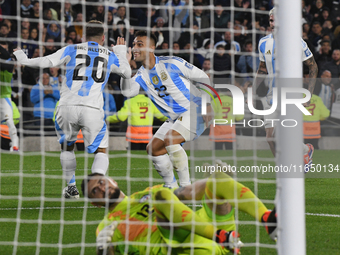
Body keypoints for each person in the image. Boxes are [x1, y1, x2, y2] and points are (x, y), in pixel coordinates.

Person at [14, 20, 131, 199]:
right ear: (103, 38)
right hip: (92, 109)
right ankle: (97, 183)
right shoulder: (108, 54)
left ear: (83, 36)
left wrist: (23, 58)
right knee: (101, 150)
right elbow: (127, 73)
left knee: (67, 147)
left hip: (66, 106)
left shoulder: (72, 49)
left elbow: (46, 61)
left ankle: (71, 188)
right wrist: (121, 53)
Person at [81, 165, 277, 255]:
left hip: (207, 231)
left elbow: (191, 191)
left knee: (217, 178)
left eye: (101, 182)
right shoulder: (106, 227)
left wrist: (217, 181)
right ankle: (221, 237)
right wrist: (102, 250)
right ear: (94, 203)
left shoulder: (150, 191)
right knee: (162, 197)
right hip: (177, 247)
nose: (102, 188)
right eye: (95, 191)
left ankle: (267, 218)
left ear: (112, 180)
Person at [120, 30, 213, 188]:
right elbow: (127, 91)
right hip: (176, 118)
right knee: (153, 149)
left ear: (151, 47)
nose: (134, 48)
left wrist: (207, 104)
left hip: (195, 109)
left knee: (170, 139)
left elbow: (203, 76)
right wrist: (124, 68)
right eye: (134, 44)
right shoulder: (141, 75)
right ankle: (172, 186)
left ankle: (186, 188)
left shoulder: (172, 63)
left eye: (139, 44)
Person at [254, 8, 318, 171]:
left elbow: (313, 67)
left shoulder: (296, 41)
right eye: (271, 21)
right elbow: (262, 69)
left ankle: (286, 169)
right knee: (270, 138)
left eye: (276, 20)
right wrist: (253, 89)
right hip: (271, 96)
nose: (273, 24)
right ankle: (305, 150)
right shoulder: (263, 43)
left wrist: (309, 93)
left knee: (283, 135)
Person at [0, 41, 19, 152]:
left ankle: (15, 146)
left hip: (4, 98)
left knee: (9, 121)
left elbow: (4, 61)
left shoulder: (10, 62)